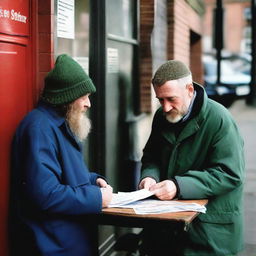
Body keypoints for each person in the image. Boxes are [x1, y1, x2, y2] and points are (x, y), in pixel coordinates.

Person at [9, 54, 113, 256]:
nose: (88, 104)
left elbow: (64, 176)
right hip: (51, 245)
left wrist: (94, 180)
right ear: (67, 97)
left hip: (67, 241)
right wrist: (96, 198)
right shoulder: (39, 128)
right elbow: (46, 194)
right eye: (83, 97)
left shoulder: (59, 125)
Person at [138, 60, 245, 256]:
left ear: (189, 89)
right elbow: (151, 155)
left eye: (171, 99)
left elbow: (230, 174)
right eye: (160, 100)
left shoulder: (220, 119)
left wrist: (178, 186)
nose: (166, 107)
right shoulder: (161, 116)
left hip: (209, 232)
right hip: (166, 228)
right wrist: (149, 177)